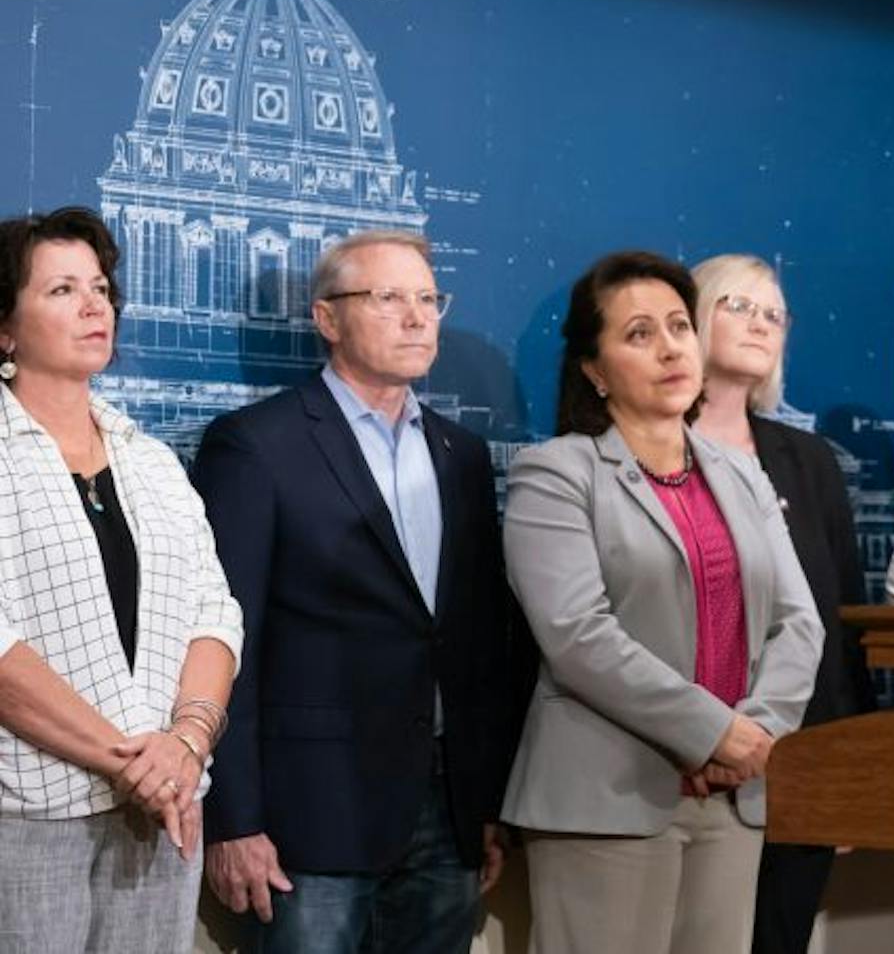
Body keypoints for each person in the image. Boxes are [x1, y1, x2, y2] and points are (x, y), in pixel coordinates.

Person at [193, 229, 530, 954]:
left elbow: (475, 642)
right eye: (387, 298)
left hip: (445, 807)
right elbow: (224, 640)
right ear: (326, 318)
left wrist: (484, 802)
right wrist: (233, 819)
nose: (417, 317)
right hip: (308, 812)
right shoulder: (257, 445)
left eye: (428, 299)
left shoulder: (461, 455)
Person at [501, 250, 822, 954]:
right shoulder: (555, 474)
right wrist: (712, 732)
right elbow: (577, 635)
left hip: (735, 796)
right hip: (606, 799)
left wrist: (752, 739)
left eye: (679, 325)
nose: (671, 346)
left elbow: (800, 623)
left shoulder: (741, 474)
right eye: (639, 333)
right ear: (594, 369)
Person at [0, 207, 243, 952]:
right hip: (32, 814)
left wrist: (187, 744)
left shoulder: (149, 458)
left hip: (164, 808)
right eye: (62, 290)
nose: (93, 304)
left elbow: (215, 610)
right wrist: (132, 761)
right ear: (5, 327)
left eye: (100, 287)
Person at [688, 253, 874, 954]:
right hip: (689, 764)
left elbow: (841, 618)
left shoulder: (810, 460)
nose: (761, 324)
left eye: (774, 315)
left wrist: (850, 775)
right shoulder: (648, 449)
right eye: (740, 306)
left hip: (800, 763)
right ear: (693, 316)